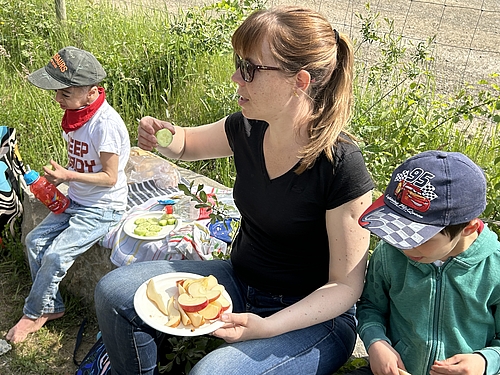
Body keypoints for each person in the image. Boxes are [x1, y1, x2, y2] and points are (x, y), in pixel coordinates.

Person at [94, 6, 374, 375]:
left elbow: (344, 286)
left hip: (313, 320)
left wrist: (268, 326)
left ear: (300, 81)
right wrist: (163, 136)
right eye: (238, 62)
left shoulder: (341, 165)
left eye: (250, 69)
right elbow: (187, 144)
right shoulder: (249, 126)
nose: (234, 77)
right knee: (114, 293)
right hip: (240, 283)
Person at [6, 46, 130, 343]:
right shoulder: (77, 114)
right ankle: (53, 306)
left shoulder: (105, 125)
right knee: (34, 240)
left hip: (103, 207)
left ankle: (32, 314)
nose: (57, 99)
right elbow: (84, 161)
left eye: (64, 93)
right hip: (76, 199)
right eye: (57, 92)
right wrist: (64, 177)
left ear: (91, 92)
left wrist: (68, 175)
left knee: (56, 254)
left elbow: (110, 177)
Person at [354, 150, 500, 375]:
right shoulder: (389, 253)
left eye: (420, 239)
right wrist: (376, 343)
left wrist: (485, 361)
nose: (404, 246)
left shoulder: (494, 267)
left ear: (468, 227)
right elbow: (371, 306)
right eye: (397, 232)